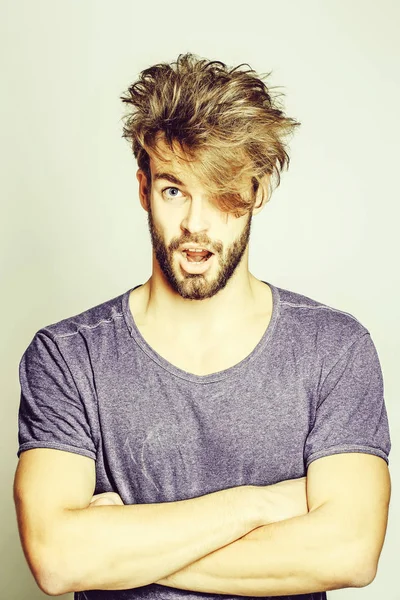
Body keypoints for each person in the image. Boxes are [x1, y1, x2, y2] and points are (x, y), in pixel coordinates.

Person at [13, 53, 391, 600]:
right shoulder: (67, 357)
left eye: (222, 194)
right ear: (143, 190)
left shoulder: (334, 349)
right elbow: (57, 559)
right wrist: (255, 504)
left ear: (256, 194)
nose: (195, 223)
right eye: (174, 190)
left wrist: (120, 550)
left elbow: (349, 552)